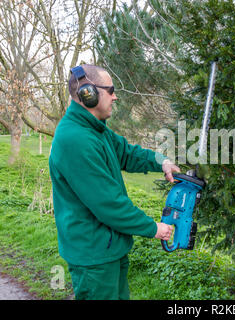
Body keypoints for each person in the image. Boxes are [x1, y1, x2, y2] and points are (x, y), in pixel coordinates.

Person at [49, 64, 179, 300]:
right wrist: (153, 228)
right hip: (94, 256)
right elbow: (108, 204)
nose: (115, 96)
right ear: (88, 94)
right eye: (110, 90)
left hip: (109, 248)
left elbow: (127, 153)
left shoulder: (95, 129)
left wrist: (161, 161)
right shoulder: (75, 139)